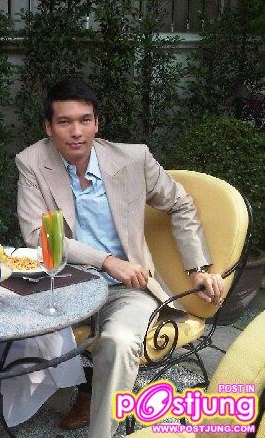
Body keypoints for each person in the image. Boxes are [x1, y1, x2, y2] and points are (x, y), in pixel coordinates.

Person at [15, 78, 224, 437]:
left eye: (85, 120)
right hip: (65, 284)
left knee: (119, 340)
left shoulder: (133, 159)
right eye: (64, 122)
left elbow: (180, 204)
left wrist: (197, 269)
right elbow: (38, 235)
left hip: (127, 288)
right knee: (6, 319)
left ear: (97, 123)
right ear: (48, 127)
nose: (76, 132)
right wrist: (106, 260)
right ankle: (17, 405)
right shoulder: (32, 162)